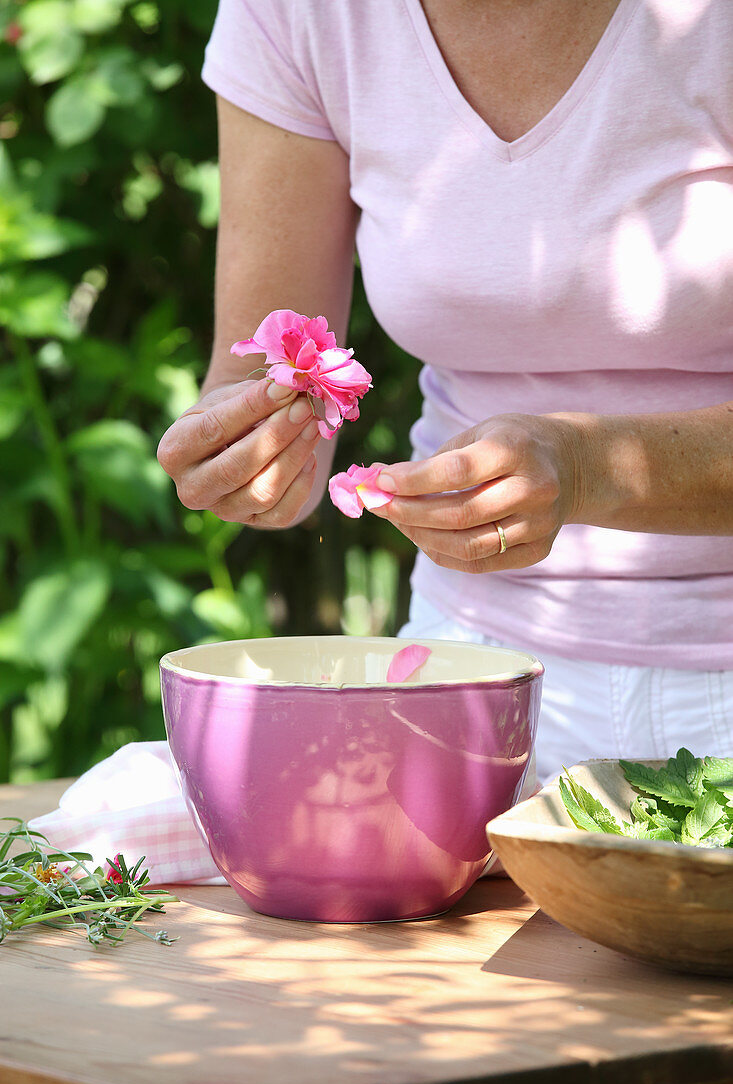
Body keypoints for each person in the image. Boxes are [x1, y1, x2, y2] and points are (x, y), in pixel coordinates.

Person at [157, 0, 733, 784]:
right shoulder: (299, 14)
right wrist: (250, 454)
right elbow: (252, 371)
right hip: (468, 676)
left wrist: (585, 468)